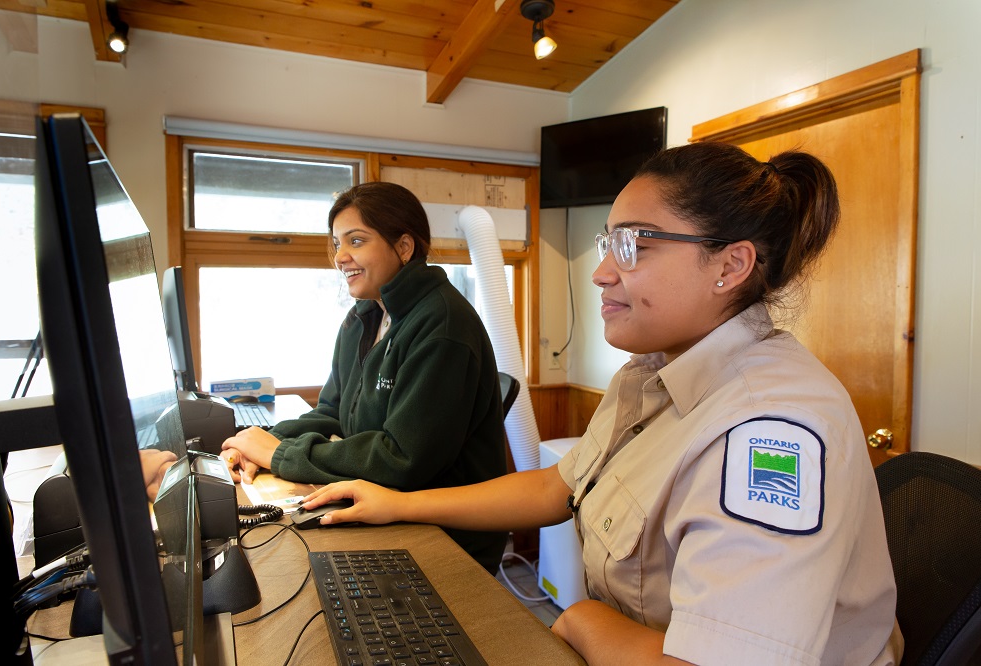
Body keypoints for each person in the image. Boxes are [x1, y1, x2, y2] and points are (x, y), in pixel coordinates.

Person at [298, 143, 904, 665]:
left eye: (632, 245)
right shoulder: (649, 372)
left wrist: (581, 620)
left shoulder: (771, 428)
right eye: (605, 243)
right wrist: (396, 503)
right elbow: (556, 488)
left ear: (730, 265)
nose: (601, 272)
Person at [220, 181, 508, 573]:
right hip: (386, 512)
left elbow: (403, 459)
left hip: (445, 537)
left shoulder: (443, 326)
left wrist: (279, 455)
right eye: (337, 243)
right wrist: (260, 442)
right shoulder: (363, 317)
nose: (340, 257)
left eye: (356, 241)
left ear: (404, 248)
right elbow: (333, 411)